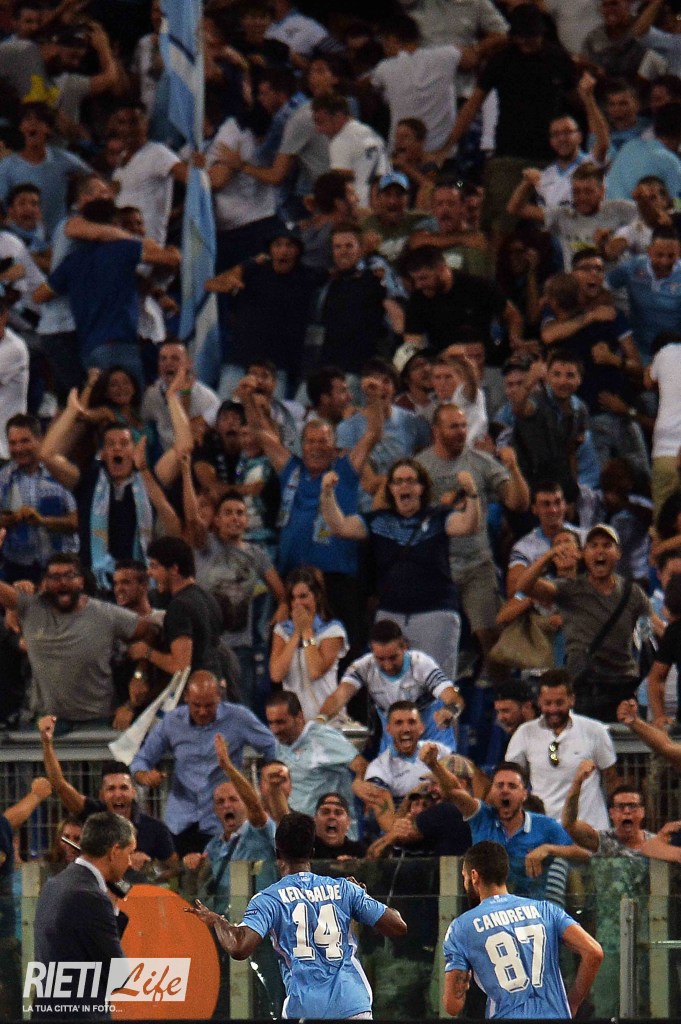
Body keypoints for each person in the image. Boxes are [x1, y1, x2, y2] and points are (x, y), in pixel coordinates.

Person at [189, 811, 407, 1020]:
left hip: (305, 1008)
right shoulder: (345, 889)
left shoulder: (268, 899)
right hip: (352, 1004)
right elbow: (398, 925)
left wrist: (217, 920)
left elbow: (239, 947)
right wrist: (363, 897)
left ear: (277, 853)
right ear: (312, 852)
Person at [321, 457, 480, 677]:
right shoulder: (379, 521)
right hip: (391, 615)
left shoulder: (438, 517)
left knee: (435, 685)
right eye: (398, 481)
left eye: (410, 481)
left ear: (421, 487)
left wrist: (472, 493)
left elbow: (468, 525)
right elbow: (340, 527)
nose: (404, 486)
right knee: (392, 685)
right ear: (391, 489)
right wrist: (327, 493)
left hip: (435, 614)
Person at [442, 840, 603, 1019]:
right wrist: (573, 1002)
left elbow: (452, 1006)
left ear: (474, 876)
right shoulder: (546, 910)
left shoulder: (461, 927)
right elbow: (594, 952)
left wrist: (463, 983)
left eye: (464, 876)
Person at [514, 523, 652, 720]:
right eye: (593, 545)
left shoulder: (633, 592)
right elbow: (524, 586)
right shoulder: (569, 588)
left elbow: (652, 629)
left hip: (622, 685)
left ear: (618, 553)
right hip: (585, 686)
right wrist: (549, 555)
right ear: (583, 554)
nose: (600, 551)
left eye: (607, 545)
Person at [131, 671, 275, 855]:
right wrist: (144, 776)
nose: (202, 711)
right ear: (186, 697)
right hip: (179, 822)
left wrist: (269, 783)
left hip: (222, 822)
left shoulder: (239, 718)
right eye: (196, 705)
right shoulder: (172, 721)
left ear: (219, 697)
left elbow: (272, 746)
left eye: (209, 705)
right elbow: (141, 759)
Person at [431, 760, 590, 898]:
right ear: (491, 791)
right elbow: (454, 792)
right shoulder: (481, 818)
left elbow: (585, 853)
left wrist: (548, 849)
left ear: (524, 794)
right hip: (489, 911)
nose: (505, 790)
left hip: (532, 912)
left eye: (512, 786)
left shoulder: (544, 825)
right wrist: (433, 764)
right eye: (499, 785)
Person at [31, 812, 136, 1020]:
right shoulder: (90, 897)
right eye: (129, 853)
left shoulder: (53, 885)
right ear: (114, 851)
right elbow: (118, 975)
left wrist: (112, 903)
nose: (130, 863)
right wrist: (109, 906)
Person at [39, 717, 177, 874]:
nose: (118, 794)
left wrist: (151, 867)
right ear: (102, 795)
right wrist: (46, 743)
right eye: (111, 789)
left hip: (138, 890)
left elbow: (174, 868)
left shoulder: (155, 828)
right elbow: (59, 784)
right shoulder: (92, 816)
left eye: (123, 788)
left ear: (133, 792)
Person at [317, 618, 463, 750]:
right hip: (393, 749)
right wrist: (320, 719)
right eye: (380, 659)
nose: (387, 666)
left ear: (404, 646)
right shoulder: (363, 667)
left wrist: (449, 710)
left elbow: (454, 698)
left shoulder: (421, 665)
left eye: (393, 658)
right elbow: (339, 697)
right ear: (371, 651)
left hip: (434, 744)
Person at [506, 670, 618, 828]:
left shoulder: (594, 731)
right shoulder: (524, 733)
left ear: (572, 700)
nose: (553, 709)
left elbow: (611, 778)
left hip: (590, 828)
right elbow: (511, 778)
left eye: (559, 703)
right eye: (548, 703)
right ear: (539, 702)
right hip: (545, 829)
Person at [182, 736, 276, 912]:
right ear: (215, 810)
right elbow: (199, 891)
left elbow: (256, 809)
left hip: (261, 921)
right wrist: (192, 867)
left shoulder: (261, 832)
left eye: (233, 799)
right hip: (225, 922)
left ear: (245, 803)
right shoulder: (213, 847)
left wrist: (228, 767)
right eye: (220, 802)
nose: (226, 805)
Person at [264, 691, 367, 831]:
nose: (275, 730)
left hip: (332, 832)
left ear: (299, 717)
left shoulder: (323, 738)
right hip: (298, 831)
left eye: (281, 722)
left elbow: (361, 765)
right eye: (271, 723)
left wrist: (360, 782)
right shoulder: (280, 743)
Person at [127, 536, 223, 678]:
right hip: (214, 683)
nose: (149, 573)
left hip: (192, 688)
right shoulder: (209, 598)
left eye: (154, 566)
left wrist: (147, 652)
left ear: (174, 569)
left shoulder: (179, 607)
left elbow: (180, 667)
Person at [0, 413, 78, 584]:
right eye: (13, 443)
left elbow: (76, 522)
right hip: (16, 569)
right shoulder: (3, 478)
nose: (19, 448)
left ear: (40, 440)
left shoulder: (60, 473)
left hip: (62, 566)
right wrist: (13, 518)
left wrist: (42, 521)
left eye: (25, 441)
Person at [270, 566, 348, 722]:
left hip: (327, 720)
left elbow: (315, 671)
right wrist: (295, 634)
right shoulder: (282, 631)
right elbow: (276, 675)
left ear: (317, 596)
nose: (298, 603)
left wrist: (306, 631)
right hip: (295, 722)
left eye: (303, 596)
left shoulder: (332, 630)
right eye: (293, 598)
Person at [312, 792, 366, 859]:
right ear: (315, 820)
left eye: (338, 813)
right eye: (325, 812)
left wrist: (353, 864)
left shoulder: (360, 853)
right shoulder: (303, 850)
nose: (332, 816)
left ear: (348, 822)